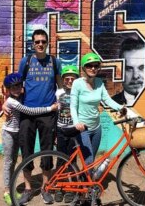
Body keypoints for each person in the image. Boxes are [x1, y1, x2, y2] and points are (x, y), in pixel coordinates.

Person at [3, 29, 62, 205]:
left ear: (47, 43)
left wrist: (63, 104)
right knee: (26, 151)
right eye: (37, 42)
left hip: (48, 115)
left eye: (43, 41)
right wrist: (6, 102)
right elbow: (15, 85)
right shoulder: (26, 61)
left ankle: (45, 188)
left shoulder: (54, 62)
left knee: (47, 152)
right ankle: (28, 189)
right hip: (26, 114)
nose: (40, 44)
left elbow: (59, 86)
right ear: (33, 43)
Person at [1, 73, 58, 206]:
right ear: (9, 88)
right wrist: (51, 108)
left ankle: (44, 188)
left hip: (19, 131)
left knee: (18, 159)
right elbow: (28, 110)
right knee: (12, 160)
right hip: (10, 132)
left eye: (19, 85)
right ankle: (10, 191)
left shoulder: (19, 96)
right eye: (13, 87)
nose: (17, 88)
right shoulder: (14, 100)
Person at [70, 52, 126, 167]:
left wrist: (120, 108)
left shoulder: (99, 82)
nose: (93, 68)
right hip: (83, 128)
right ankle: (86, 184)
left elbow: (107, 100)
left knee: (91, 159)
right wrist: (76, 123)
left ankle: (85, 180)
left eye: (96, 65)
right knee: (89, 159)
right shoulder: (77, 83)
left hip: (96, 128)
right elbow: (73, 106)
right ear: (84, 68)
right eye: (89, 65)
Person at [54, 65, 80, 203]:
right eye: (67, 79)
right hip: (61, 129)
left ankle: (70, 187)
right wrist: (55, 134)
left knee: (72, 160)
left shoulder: (79, 93)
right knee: (60, 160)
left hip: (73, 130)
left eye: (72, 79)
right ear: (63, 80)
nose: (70, 81)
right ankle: (59, 186)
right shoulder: (58, 93)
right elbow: (55, 111)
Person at [112, 37, 145, 106]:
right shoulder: (110, 105)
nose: (135, 76)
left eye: (141, 67)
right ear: (120, 70)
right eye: (129, 68)